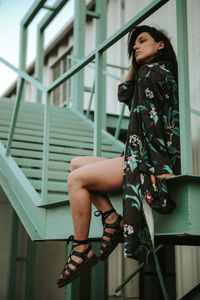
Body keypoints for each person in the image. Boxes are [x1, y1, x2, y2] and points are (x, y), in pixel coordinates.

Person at [57, 25, 180, 288]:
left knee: (75, 180)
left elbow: (152, 122)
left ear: (161, 45)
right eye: (133, 45)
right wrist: (136, 61)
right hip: (136, 154)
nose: (135, 46)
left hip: (144, 160)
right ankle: (112, 219)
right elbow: (124, 92)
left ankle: (80, 249)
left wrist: (159, 168)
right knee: (75, 164)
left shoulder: (153, 72)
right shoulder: (153, 73)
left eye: (142, 41)